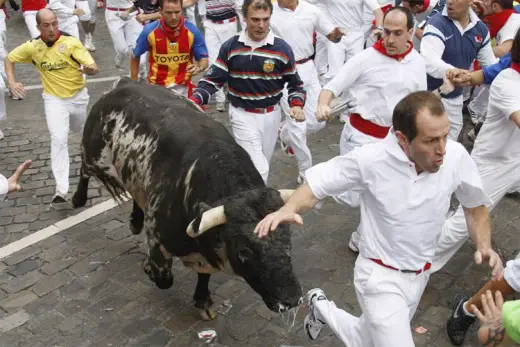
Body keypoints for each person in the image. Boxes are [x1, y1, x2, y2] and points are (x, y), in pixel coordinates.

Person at [254, 91, 503, 347]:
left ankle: (321, 309)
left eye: (445, 136)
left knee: (366, 339)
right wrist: (289, 208)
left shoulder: (456, 155)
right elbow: (318, 185)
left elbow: (474, 206)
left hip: (420, 275)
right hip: (379, 279)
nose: (442, 149)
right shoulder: (370, 160)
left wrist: (484, 245)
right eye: (430, 141)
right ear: (402, 139)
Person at [433, 28, 520, 346]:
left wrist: (470, 76)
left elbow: (483, 72)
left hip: (516, 162)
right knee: (460, 227)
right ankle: (417, 263)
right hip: (492, 167)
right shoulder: (510, 82)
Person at [189, 0, 306, 184]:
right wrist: (196, 99)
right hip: (242, 114)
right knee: (259, 169)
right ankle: (256, 209)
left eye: (265, 19)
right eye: (255, 20)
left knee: (259, 169)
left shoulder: (282, 49)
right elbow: (213, 78)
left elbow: (296, 85)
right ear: (244, 18)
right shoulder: (231, 46)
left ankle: (249, 202)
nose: (261, 25)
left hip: (272, 116)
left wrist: (297, 104)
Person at [5, 9, 99, 203]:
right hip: (54, 99)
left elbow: (93, 67)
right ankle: (61, 189)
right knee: (58, 139)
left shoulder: (71, 42)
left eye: (54, 23)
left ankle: (77, 129)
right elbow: (9, 59)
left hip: (78, 97)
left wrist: (89, 70)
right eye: (46, 25)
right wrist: (12, 83)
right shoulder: (33, 47)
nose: (51, 28)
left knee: (77, 128)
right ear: (38, 27)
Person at [270, 0, 344, 184]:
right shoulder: (270, 12)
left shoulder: (311, 10)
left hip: (308, 68)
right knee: (298, 126)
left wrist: (336, 35)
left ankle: (284, 133)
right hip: (285, 71)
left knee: (319, 121)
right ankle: (305, 172)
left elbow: (331, 35)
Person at [420, 0, 497, 141]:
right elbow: (429, 60)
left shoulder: (481, 30)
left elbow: (490, 66)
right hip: (428, 96)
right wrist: (454, 71)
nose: (449, 2)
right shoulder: (436, 23)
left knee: (448, 151)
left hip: (455, 100)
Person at [130, 0, 209, 95]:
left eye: (177, 12)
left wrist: (199, 67)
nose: (174, 17)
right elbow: (135, 55)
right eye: (169, 13)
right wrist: (133, 85)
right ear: (160, 11)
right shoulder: (149, 31)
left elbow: (204, 59)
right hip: (157, 89)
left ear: (181, 10)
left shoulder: (192, 30)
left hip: (184, 89)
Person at [182, 0, 240, 111]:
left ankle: (233, 91)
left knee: (230, 60)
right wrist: (170, 4)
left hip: (229, 23)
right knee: (213, 61)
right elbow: (191, 1)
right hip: (210, 24)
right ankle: (220, 99)